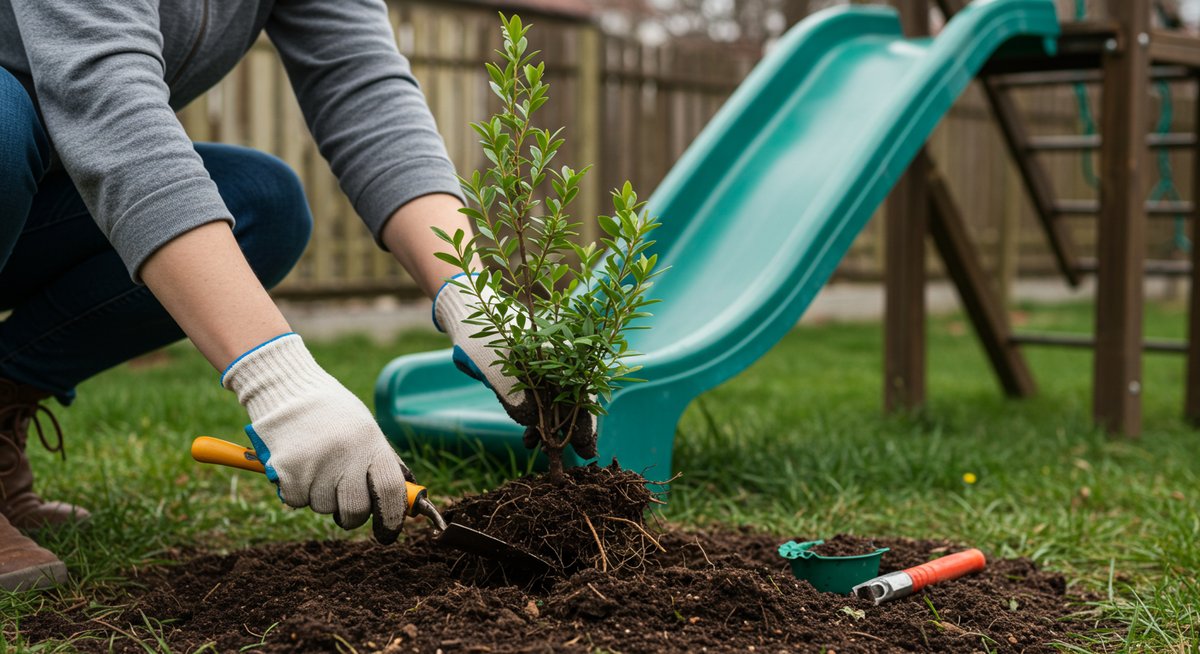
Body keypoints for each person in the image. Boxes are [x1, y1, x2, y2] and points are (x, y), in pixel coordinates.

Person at [0, 0, 535, 591]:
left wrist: (472, 299)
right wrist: (280, 383)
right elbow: (105, 94)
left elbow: (362, 86)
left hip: (37, 189)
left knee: (262, 205)